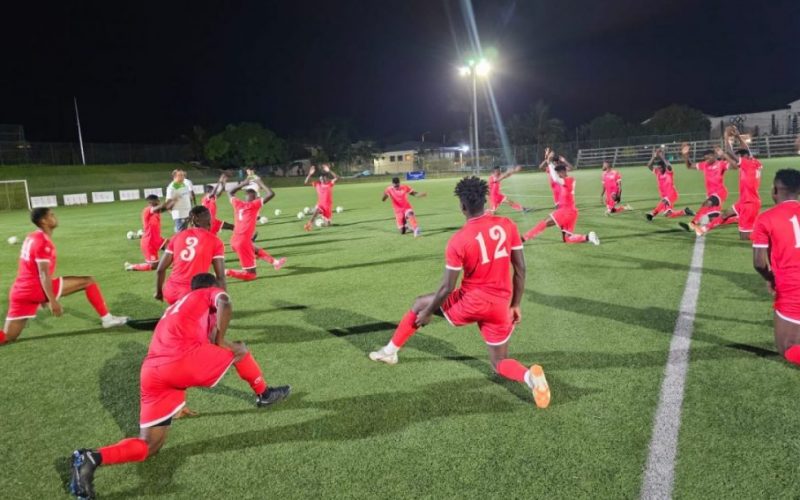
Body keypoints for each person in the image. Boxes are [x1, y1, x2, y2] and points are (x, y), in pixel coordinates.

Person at [68, 273, 291, 499]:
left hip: (152, 372)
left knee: (150, 444)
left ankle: (91, 458)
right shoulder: (207, 293)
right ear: (210, 286)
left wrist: (177, 400)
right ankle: (264, 394)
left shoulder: (176, 308)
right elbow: (225, 301)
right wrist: (222, 340)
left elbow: (182, 347)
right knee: (239, 350)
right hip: (179, 363)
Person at [369, 176, 551, 408]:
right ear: (485, 201)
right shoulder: (507, 224)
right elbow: (521, 269)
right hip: (501, 306)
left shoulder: (459, 240)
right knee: (499, 362)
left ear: (462, 207)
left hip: (472, 302)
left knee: (418, 304)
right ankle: (529, 377)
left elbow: (447, 288)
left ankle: (390, 352)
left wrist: (427, 313)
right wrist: (515, 304)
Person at [0, 208, 128, 344]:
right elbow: (43, 274)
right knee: (89, 282)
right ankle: (107, 319)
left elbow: (32, 268)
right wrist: (52, 301)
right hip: (35, 288)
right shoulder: (43, 242)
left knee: (8, 336)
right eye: (51, 215)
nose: (55, 217)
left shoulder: (31, 236)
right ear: (44, 220)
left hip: (20, 291)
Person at [751, 169, 800, 367]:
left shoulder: (766, 218)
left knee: (787, 347)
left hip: (791, 286)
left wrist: (770, 278)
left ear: (775, 190)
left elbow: (759, 262)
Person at [693, 127, 762, 239]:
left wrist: (726, 137)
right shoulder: (754, 162)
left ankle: (767, 234)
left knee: (745, 237)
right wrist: (738, 136)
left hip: (750, 204)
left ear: (745, 157)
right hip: (745, 201)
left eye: (740, 155)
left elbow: (730, 152)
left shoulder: (747, 164)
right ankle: (703, 229)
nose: (738, 157)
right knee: (725, 214)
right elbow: (746, 150)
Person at [155, 206, 226, 305]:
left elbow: (160, 269)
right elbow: (220, 276)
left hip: (170, 292)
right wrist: (223, 302)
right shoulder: (215, 241)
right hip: (192, 293)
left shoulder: (177, 237)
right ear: (209, 222)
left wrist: (159, 292)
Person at [522, 155, 600, 245]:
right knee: (568, 239)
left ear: (563, 171)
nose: (558, 174)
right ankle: (589, 237)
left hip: (566, 211)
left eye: (559, 172)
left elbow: (555, 179)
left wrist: (549, 162)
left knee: (544, 223)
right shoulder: (568, 180)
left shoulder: (568, 180)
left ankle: (523, 238)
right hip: (571, 212)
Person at [225, 176, 286, 281]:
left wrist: (243, 183)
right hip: (242, 242)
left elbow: (230, 192)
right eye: (257, 196)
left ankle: (276, 263)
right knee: (251, 275)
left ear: (245, 197)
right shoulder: (254, 205)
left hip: (235, 240)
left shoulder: (238, 204)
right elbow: (271, 194)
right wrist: (260, 182)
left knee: (256, 250)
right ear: (255, 198)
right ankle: (226, 272)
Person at [679, 145, 729, 231]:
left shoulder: (721, 164)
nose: (707, 160)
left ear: (714, 156)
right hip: (710, 194)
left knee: (707, 203)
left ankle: (692, 224)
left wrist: (723, 155)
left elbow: (733, 165)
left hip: (719, 193)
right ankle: (737, 218)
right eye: (705, 159)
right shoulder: (704, 165)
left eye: (709, 158)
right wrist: (686, 155)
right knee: (714, 219)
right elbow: (689, 166)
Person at [125, 195, 173, 272]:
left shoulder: (157, 211)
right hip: (149, 243)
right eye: (157, 201)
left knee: (173, 248)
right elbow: (162, 207)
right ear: (150, 202)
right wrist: (172, 199)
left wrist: (173, 202)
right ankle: (132, 266)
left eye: (158, 200)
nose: (158, 202)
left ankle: (173, 264)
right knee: (154, 266)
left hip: (157, 240)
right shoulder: (147, 210)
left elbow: (164, 208)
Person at [645, 148, 694, 221]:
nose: (659, 169)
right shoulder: (657, 172)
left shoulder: (669, 172)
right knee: (668, 214)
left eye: (661, 168)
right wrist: (653, 157)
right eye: (658, 168)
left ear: (664, 167)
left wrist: (662, 156)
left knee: (664, 201)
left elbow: (668, 165)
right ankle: (685, 211)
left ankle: (653, 213)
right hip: (664, 196)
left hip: (672, 194)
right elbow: (649, 166)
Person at [303, 164, 339, 231]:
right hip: (320, 204)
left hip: (328, 207)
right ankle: (309, 224)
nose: (321, 179)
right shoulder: (317, 184)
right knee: (317, 210)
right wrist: (309, 174)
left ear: (326, 178)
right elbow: (306, 182)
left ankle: (324, 222)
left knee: (328, 224)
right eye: (320, 178)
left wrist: (329, 171)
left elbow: (337, 178)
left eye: (323, 178)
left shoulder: (330, 184)